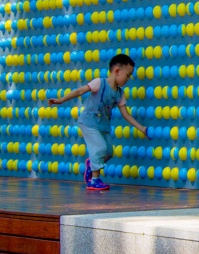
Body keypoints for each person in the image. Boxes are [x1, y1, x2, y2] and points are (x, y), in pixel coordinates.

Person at [48, 53, 148, 191]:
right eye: (128, 75)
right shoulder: (99, 83)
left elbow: (125, 114)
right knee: (100, 148)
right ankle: (94, 180)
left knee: (109, 152)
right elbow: (79, 91)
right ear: (117, 71)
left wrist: (141, 128)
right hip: (89, 122)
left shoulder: (120, 94)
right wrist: (60, 100)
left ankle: (91, 164)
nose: (128, 79)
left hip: (103, 125)